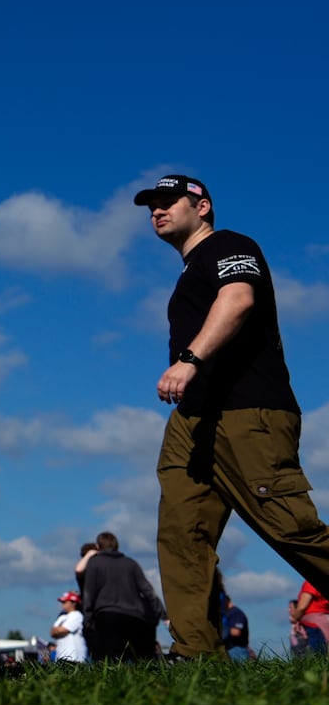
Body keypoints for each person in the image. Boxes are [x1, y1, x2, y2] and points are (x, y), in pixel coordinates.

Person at [134, 174, 329, 659]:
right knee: (182, 532)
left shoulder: (229, 245)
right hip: (194, 420)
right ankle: (195, 654)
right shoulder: (189, 270)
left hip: (247, 412)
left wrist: (190, 360)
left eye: (168, 201)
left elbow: (239, 299)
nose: (157, 210)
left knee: (288, 526)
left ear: (202, 206)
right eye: (151, 205)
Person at [79, 531, 160, 660]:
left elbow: (89, 593)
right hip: (135, 616)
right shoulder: (131, 563)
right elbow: (147, 590)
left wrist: (88, 620)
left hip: (107, 616)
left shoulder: (94, 563)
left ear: (97, 546)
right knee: (138, 659)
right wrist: (156, 615)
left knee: (109, 660)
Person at [50, 590, 87, 663]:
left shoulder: (77, 615)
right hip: (61, 656)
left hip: (74, 656)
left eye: (65, 602)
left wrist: (58, 630)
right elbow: (52, 632)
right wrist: (58, 630)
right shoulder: (62, 617)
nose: (63, 604)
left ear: (73, 603)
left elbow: (63, 630)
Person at [220, 593, 251, 661]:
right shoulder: (227, 614)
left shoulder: (235, 612)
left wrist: (218, 631)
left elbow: (236, 632)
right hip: (230, 650)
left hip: (237, 651)